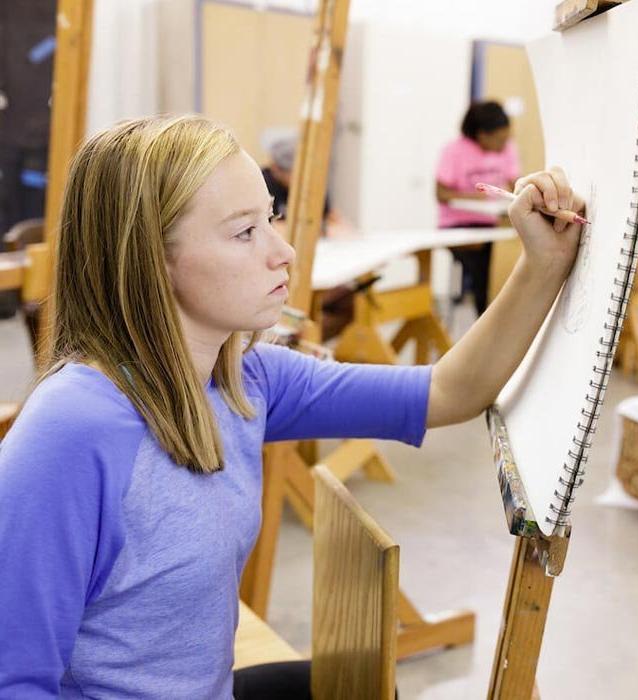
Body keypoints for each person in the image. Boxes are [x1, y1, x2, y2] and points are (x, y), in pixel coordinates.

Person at [0, 115, 583, 699]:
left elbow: (450, 392)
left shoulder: (244, 377)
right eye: (243, 232)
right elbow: (15, 682)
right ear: (151, 258)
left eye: (269, 218)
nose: (284, 252)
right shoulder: (70, 432)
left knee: (364, 689)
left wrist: (543, 264)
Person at [436, 101, 520, 315]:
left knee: (495, 254)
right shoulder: (454, 151)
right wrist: (478, 198)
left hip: (488, 225)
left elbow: (516, 184)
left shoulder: (507, 149)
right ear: (482, 135)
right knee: (480, 264)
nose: (504, 145)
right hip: (456, 224)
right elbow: (441, 193)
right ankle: (482, 312)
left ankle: (486, 312)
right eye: (500, 140)